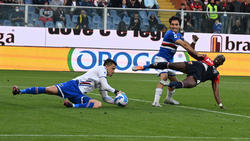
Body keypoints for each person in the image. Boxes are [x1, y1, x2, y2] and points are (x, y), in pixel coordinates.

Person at [136, 16, 205, 107]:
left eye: (176, 24)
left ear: (179, 25)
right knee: (164, 77)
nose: (174, 26)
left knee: (174, 81)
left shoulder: (178, 35)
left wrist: (194, 42)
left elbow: (189, 47)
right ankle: (155, 102)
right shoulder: (170, 33)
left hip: (168, 62)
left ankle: (168, 99)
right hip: (160, 59)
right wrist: (196, 54)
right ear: (170, 25)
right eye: (172, 24)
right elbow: (183, 45)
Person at [12, 59, 122, 109]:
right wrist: (117, 92)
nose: (113, 71)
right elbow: (106, 86)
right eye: (112, 68)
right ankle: (20, 91)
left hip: (78, 95)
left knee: (98, 104)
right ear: (107, 66)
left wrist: (117, 102)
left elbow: (106, 98)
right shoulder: (101, 68)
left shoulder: (102, 80)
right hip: (73, 86)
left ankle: (72, 106)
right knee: (49, 90)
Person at [133, 55, 226, 109]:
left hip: (197, 76)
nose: (218, 59)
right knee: (170, 65)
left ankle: (169, 84)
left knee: (185, 84)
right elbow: (192, 52)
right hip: (194, 66)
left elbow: (215, 90)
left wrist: (220, 104)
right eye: (218, 57)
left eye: (220, 59)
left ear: (221, 63)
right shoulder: (206, 58)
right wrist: (194, 42)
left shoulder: (216, 74)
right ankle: (144, 67)